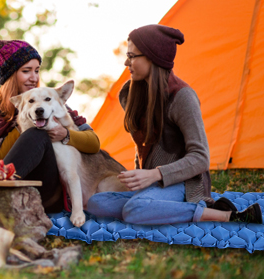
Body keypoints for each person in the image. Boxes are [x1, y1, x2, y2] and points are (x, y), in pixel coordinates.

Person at [87, 24, 262, 225]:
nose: (127, 61)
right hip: (152, 184)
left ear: (153, 57)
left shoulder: (182, 97)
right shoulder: (130, 94)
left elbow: (201, 158)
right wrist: (139, 177)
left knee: (134, 210)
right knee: (96, 203)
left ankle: (227, 215)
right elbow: (141, 146)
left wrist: (155, 174)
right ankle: (151, 205)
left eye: (133, 56)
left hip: (183, 183)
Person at [0, 36, 100, 213]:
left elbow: (94, 143)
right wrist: (23, 125)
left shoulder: (50, 104)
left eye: (37, 71)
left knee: (38, 131)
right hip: (0, 187)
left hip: (48, 192)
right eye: (26, 71)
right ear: (10, 76)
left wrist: (65, 134)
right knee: (36, 132)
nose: (34, 78)